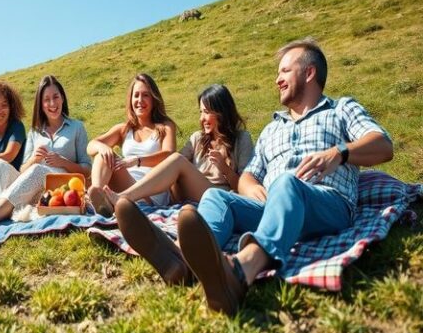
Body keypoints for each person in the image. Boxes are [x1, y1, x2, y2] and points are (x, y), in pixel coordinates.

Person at [121, 38, 393, 315]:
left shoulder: (341, 109)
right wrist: (252, 189)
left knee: (286, 183)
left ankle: (240, 272)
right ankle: (183, 261)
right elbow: (249, 176)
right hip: (274, 206)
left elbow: (383, 145)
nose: (277, 80)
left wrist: (338, 153)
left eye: (285, 71)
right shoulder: (272, 130)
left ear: (309, 73)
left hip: (327, 204)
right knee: (218, 197)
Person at [0, 75, 91, 236]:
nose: (52, 103)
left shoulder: (77, 128)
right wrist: (33, 159)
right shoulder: (35, 132)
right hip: (33, 189)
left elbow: (87, 170)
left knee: (38, 169)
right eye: (46, 100)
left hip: (61, 187)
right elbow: (23, 170)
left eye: (56, 97)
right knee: (0, 165)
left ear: (62, 98)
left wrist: (63, 162)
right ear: (41, 105)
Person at [105, 84, 252, 218]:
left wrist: (224, 169)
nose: (202, 119)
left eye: (207, 112)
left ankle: (123, 198)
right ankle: (125, 199)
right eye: (200, 112)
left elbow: (245, 188)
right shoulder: (197, 138)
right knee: (175, 160)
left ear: (221, 112)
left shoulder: (242, 139)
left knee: (176, 159)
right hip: (189, 196)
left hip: (219, 196)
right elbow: (170, 165)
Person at [86, 73, 176, 216]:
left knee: (107, 155)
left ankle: (105, 201)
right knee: (103, 155)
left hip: (149, 193)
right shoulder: (124, 129)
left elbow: (169, 155)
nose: (140, 100)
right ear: (131, 100)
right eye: (136, 95)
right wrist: (102, 147)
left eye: (145, 95)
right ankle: (99, 197)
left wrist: (138, 161)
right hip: (124, 188)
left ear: (153, 99)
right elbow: (91, 145)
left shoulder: (165, 126)